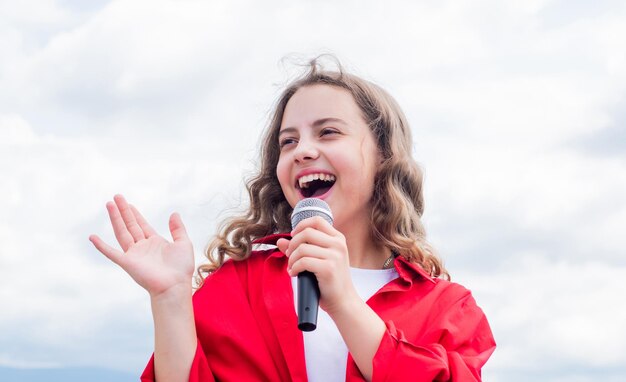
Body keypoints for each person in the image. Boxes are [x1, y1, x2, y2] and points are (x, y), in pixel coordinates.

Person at [89, 56, 496, 382]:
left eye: (328, 132)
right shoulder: (238, 285)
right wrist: (170, 299)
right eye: (288, 141)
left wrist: (344, 302)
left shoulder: (446, 307)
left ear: (384, 156)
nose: (303, 150)